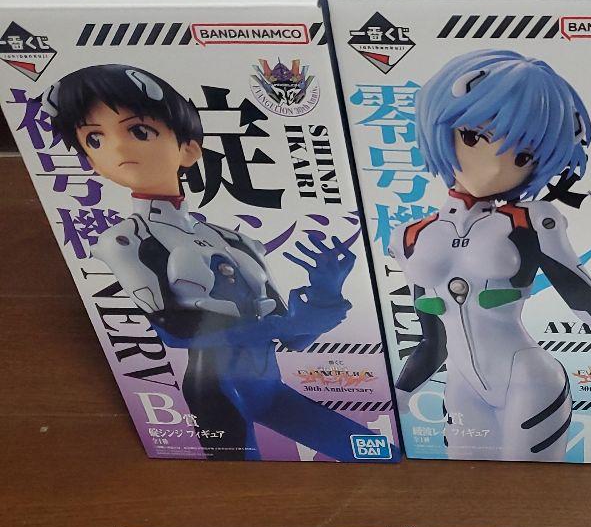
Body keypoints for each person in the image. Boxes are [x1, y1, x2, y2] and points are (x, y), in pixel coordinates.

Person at [45, 64, 377, 461]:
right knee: (239, 486)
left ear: (188, 149)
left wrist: (325, 296)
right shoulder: (126, 241)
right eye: (95, 138)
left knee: (374, 452)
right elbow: (176, 331)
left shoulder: (236, 240)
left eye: (139, 131)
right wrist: (284, 325)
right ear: (91, 161)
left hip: (269, 386)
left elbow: (293, 338)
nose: (117, 148)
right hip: (215, 392)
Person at [393, 49, 591, 461]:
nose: (494, 168)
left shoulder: (531, 221)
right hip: (461, 385)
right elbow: (432, 342)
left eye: (522, 157)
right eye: (472, 137)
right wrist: (396, 396)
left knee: (531, 492)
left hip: (529, 381)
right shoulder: (412, 235)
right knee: (465, 492)